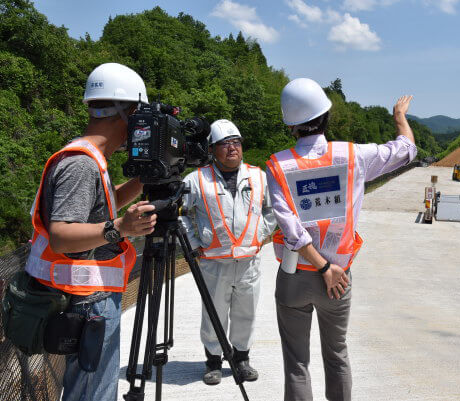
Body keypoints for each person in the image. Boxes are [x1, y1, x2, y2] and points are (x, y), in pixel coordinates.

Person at [265, 78, 417, 401]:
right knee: (336, 357)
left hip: (295, 277)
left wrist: (320, 267)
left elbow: (290, 228)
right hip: (338, 279)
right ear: (326, 116)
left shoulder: (278, 165)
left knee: (296, 364)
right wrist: (400, 118)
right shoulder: (352, 156)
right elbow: (406, 150)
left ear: (291, 125)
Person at [24, 63, 156, 401]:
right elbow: (61, 234)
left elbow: (102, 207)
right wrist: (120, 228)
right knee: (92, 395)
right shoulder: (82, 164)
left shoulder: (92, 158)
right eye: (139, 115)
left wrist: (143, 181)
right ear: (125, 113)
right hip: (87, 302)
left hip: (90, 298)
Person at [179, 119, 277, 385]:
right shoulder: (196, 180)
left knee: (246, 312)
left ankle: (242, 359)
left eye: (236, 143)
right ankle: (212, 362)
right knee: (214, 313)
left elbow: (272, 210)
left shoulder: (258, 177)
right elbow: (182, 215)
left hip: (248, 261)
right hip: (213, 262)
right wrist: (194, 244)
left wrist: (260, 233)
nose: (232, 148)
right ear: (212, 149)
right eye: (224, 144)